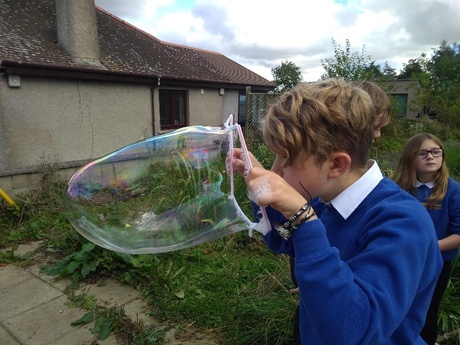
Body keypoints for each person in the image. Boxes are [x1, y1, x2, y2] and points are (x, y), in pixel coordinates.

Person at [229, 79, 442, 344]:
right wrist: (257, 179)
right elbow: (279, 239)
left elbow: (352, 331)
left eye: (286, 158)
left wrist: (304, 220)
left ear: (337, 165)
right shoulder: (324, 198)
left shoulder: (403, 223)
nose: (276, 171)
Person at [392, 133, 460, 345]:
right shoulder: (398, 188)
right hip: (403, 262)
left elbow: (458, 235)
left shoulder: (454, 191)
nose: (430, 157)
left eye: (436, 151)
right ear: (410, 158)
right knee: (399, 309)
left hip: (437, 263)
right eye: (423, 153)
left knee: (427, 311)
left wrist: (426, 248)